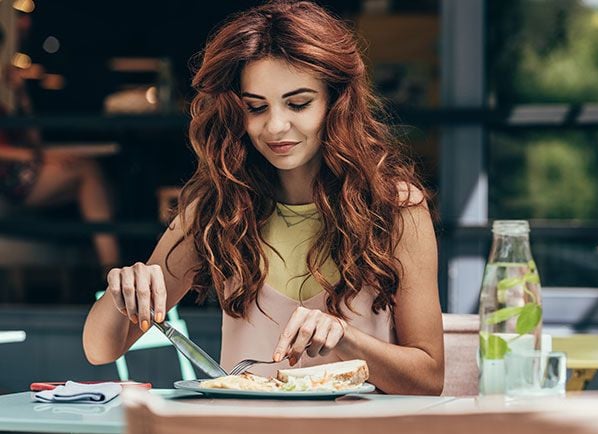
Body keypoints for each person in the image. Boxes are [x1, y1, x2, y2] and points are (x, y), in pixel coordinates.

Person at [83, 0, 443, 395]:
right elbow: (101, 349)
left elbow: (428, 379)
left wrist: (346, 339)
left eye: (298, 103)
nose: (275, 126)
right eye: (256, 107)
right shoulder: (218, 207)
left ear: (336, 102)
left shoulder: (394, 207)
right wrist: (125, 289)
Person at [0, 23, 121, 268]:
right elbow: (25, 151)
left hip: (20, 169)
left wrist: (21, 93)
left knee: (93, 177)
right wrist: (37, 158)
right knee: (88, 172)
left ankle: (109, 266)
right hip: (9, 178)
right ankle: (111, 268)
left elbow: (34, 139)